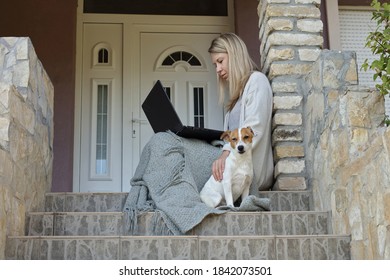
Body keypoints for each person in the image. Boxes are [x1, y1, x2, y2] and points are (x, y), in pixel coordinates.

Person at [123, 33, 273, 235]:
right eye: (215, 65)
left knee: (163, 141)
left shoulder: (257, 81)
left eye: (220, 61)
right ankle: (175, 199)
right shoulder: (232, 104)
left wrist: (224, 153)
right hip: (230, 165)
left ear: (235, 55)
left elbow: (256, 127)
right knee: (165, 139)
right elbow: (229, 141)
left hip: (247, 171)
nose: (218, 70)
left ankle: (179, 206)